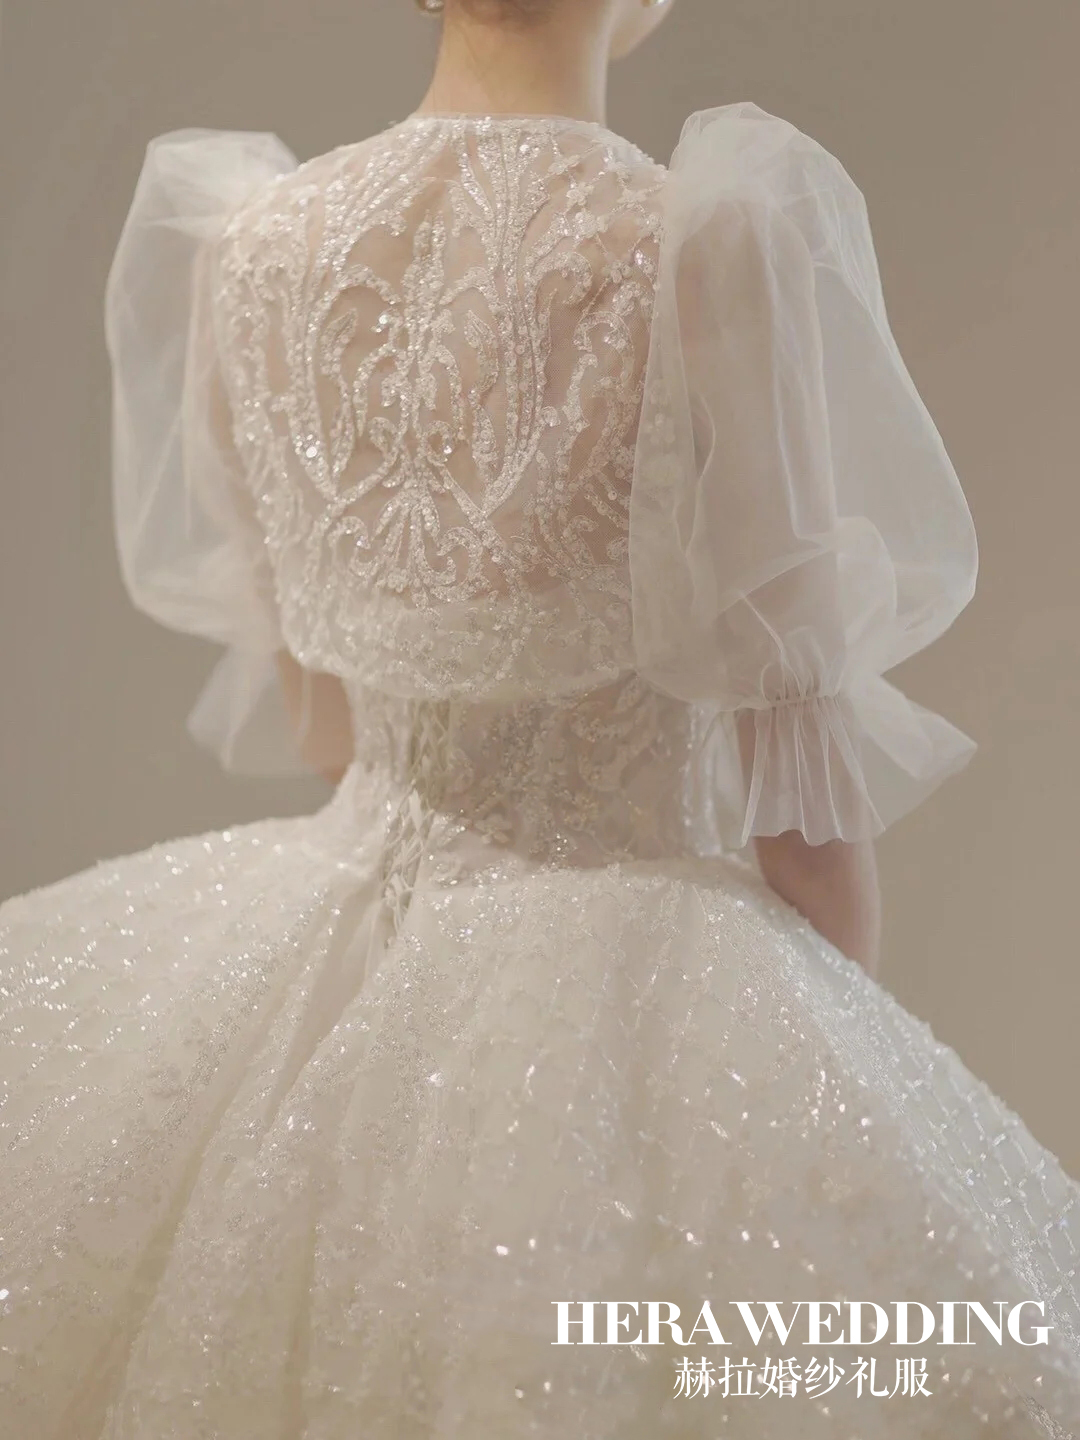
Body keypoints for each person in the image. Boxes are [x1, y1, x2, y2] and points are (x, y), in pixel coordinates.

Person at [1, 0, 1078, 1434]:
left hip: (333, 940)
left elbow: (325, 726)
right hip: (636, 972)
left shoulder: (250, 243)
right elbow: (802, 808)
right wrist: (833, 1080)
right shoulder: (702, 241)